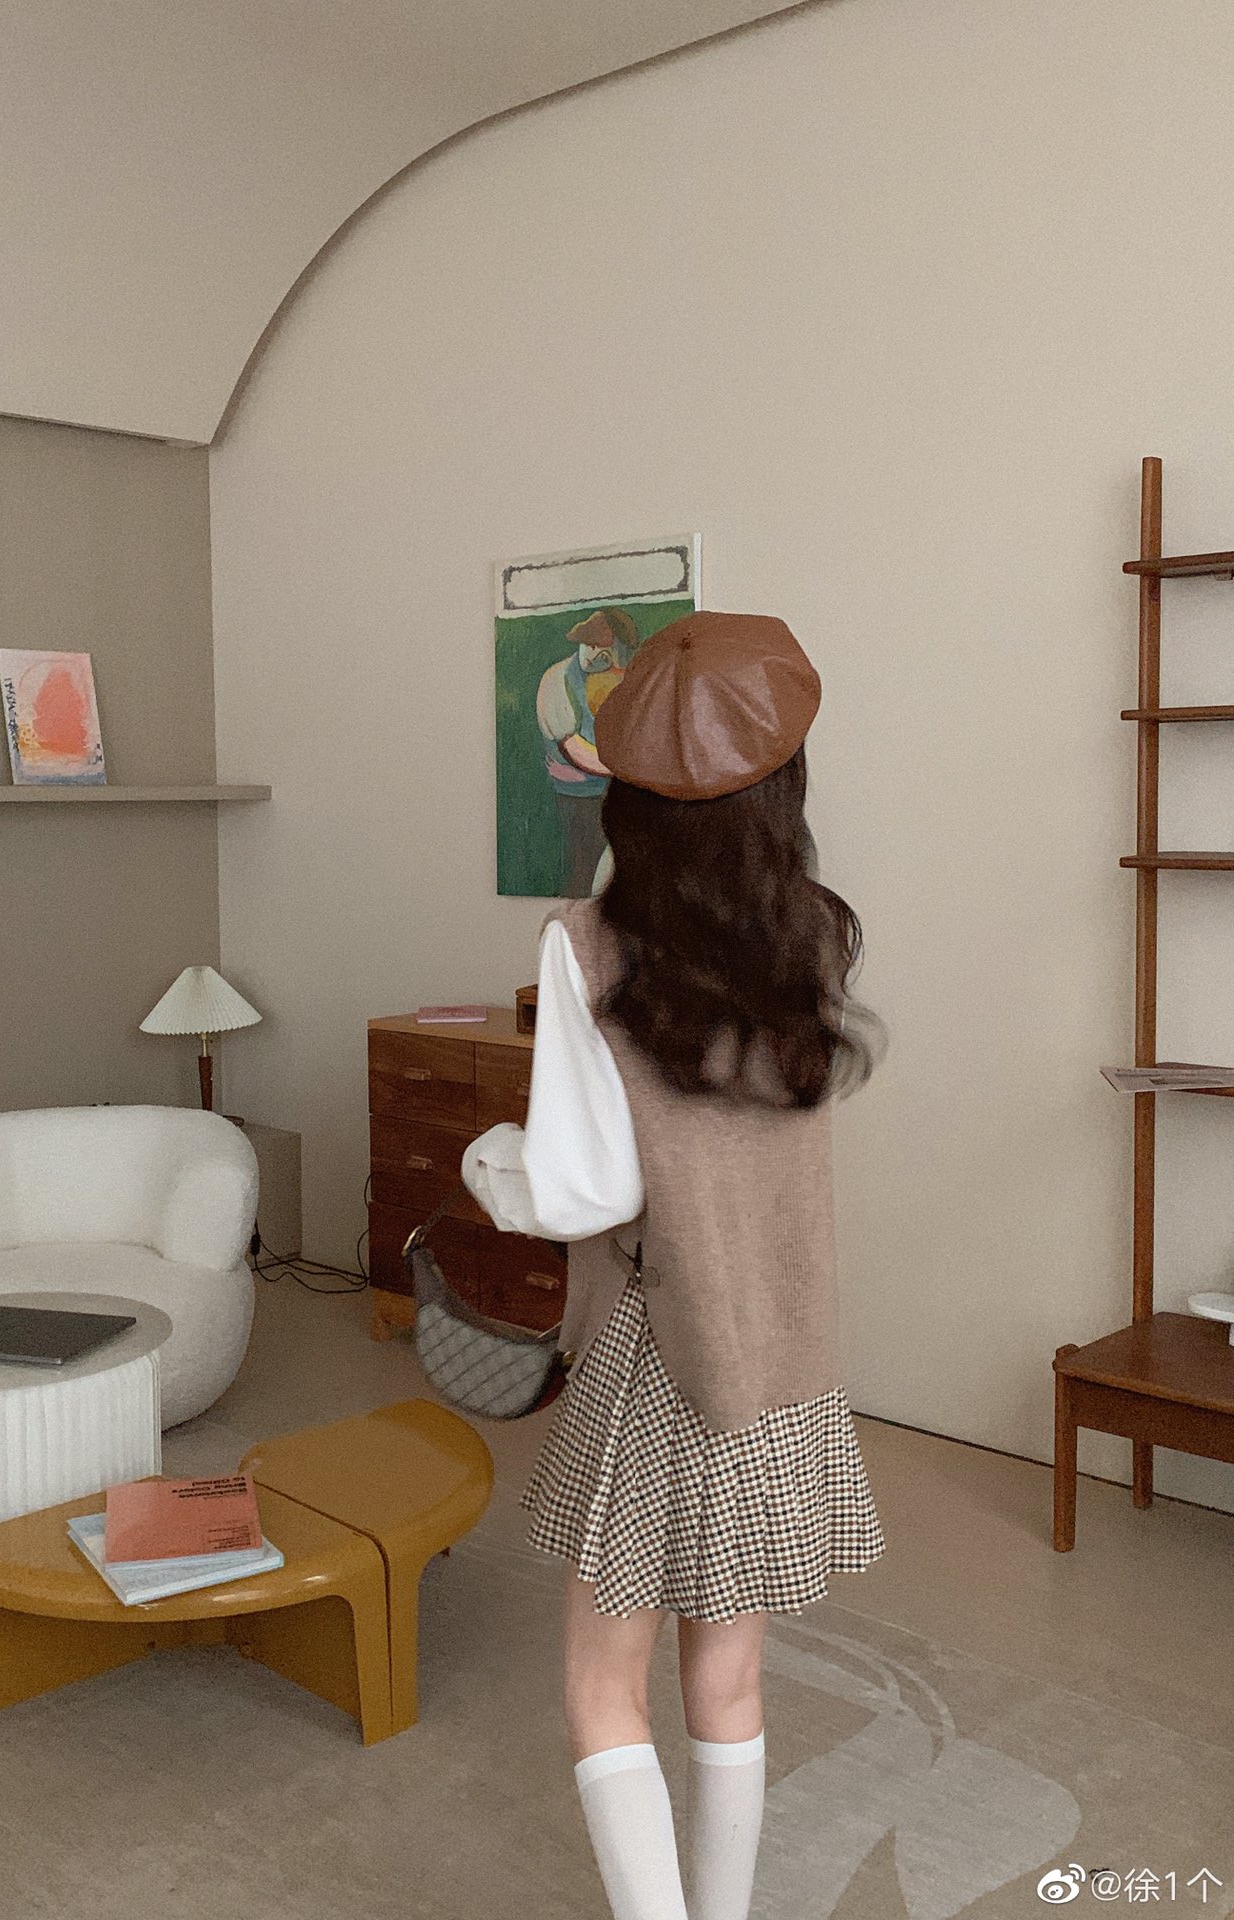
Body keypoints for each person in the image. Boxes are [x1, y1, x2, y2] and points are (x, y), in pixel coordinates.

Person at [462, 610, 886, 1920]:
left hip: (663, 1357)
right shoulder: (816, 932)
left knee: (603, 1688)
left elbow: (586, 1189)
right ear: (781, 781)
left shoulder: (586, 946)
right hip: (779, 1350)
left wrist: (492, 1165)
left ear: (629, 791)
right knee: (730, 1680)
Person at [536, 606, 640, 896]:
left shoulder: (615, 676)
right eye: (592, 646)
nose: (598, 655)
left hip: (620, 790)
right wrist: (629, 770)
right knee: (585, 867)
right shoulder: (557, 679)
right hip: (579, 794)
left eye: (609, 649)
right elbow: (573, 749)